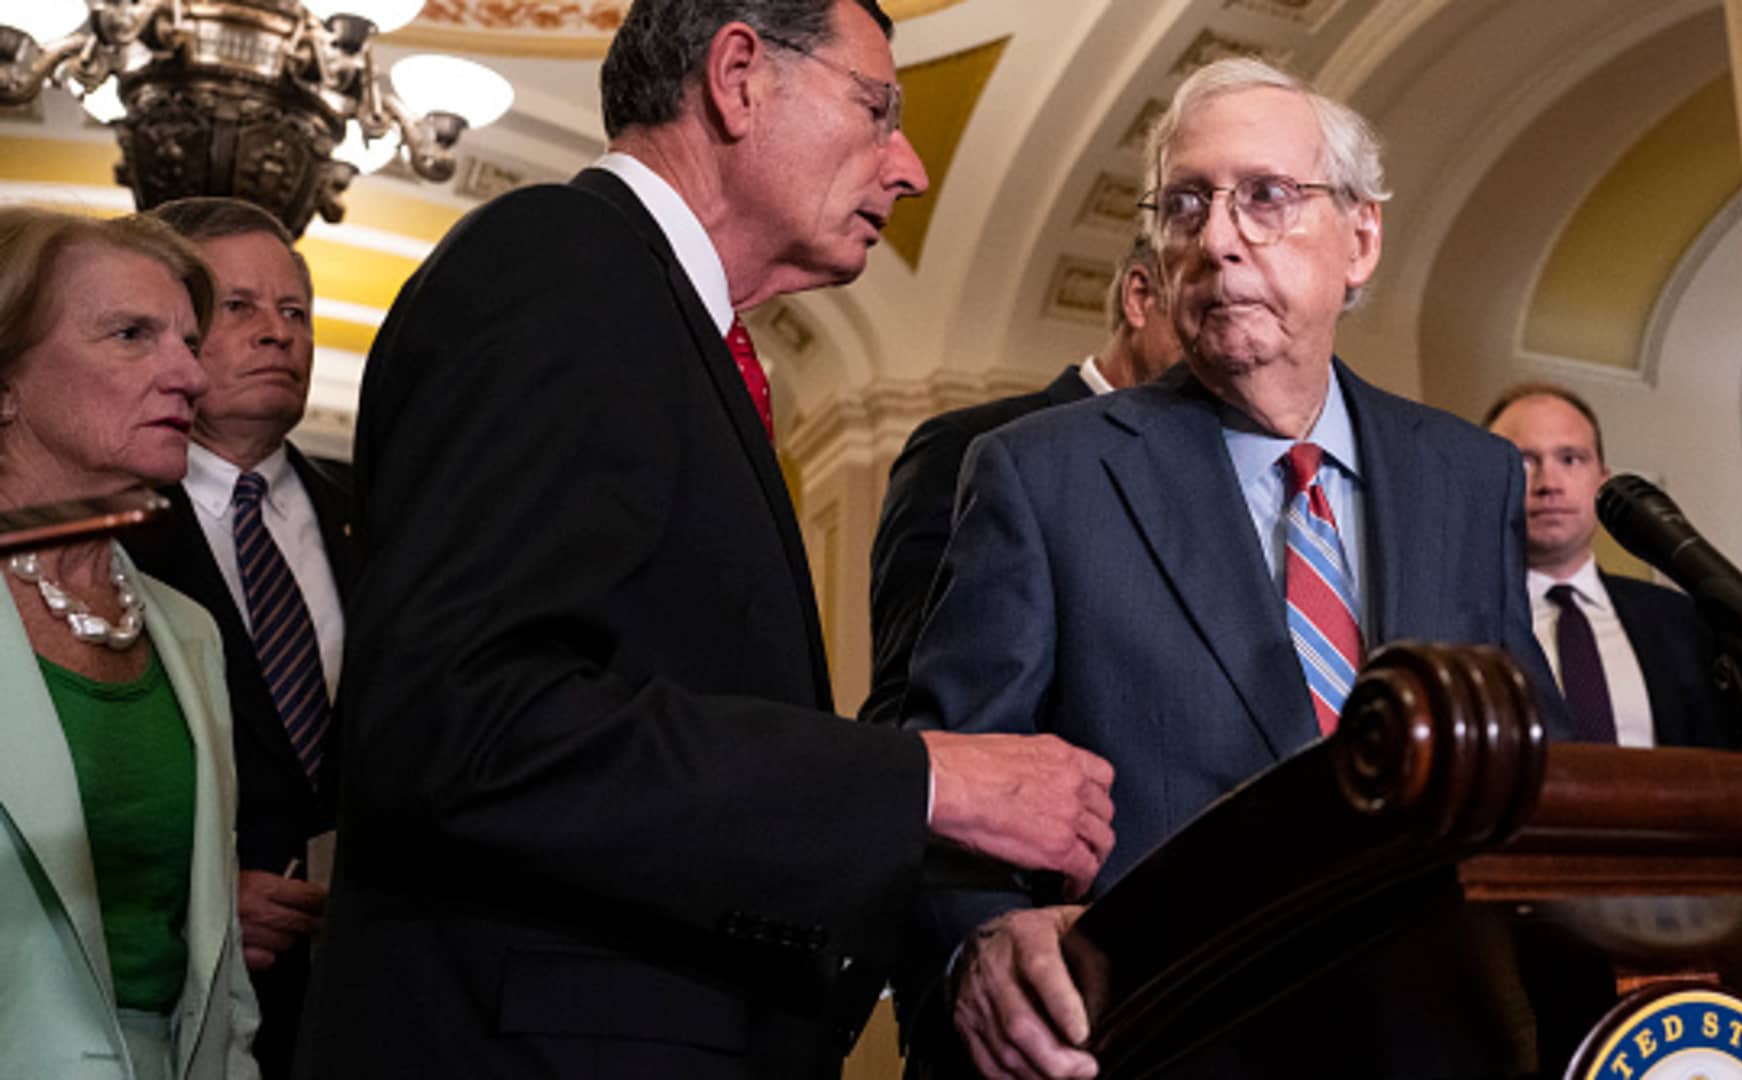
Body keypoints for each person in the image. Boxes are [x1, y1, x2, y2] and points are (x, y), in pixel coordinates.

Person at [300, 2, 1115, 1077]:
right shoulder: (560, 262)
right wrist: (923, 782)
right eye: (877, 109)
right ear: (738, 77)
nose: (910, 168)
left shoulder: (667, 321)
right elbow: (460, 722)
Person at [895, 57, 1570, 1078]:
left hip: (1446, 1042)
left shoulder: (1468, 475)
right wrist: (979, 944)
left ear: (1360, 238)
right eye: (1185, 205)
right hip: (1170, 1044)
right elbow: (955, 786)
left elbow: (1538, 769)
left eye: (1264, 196)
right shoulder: (1042, 475)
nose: (1216, 238)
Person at [0, 206, 259, 1077]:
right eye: (131, 335)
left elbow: (219, 977)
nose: (190, 375)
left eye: (187, 343)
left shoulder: (189, 632)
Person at [121, 197, 347, 1080]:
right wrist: (201, 903)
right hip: (179, 1009)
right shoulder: (104, 527)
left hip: (366, 998)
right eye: (240, 307)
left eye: (295, 311)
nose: (278, 333)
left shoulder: (389, 521)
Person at [862, 232, 1184, 726]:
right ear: (1140, 298)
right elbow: (908, 699)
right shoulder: (964, 446)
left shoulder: (1227, 472)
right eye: (1208, 307)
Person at [1484, 383, 1741, 750]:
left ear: (1602, 480)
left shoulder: (1681, 622)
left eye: (1570, 459)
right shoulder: (1454, 624)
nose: (1549, 484)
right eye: (1523, 461)